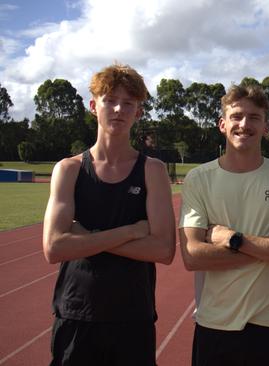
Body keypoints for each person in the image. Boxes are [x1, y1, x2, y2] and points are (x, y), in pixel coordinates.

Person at [42, 63, 176, 366]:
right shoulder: (69, 170)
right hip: (76, 313)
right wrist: (130, 231)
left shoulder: (152, 171)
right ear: (93, 106)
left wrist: (85, 236)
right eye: (109, 100)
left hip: (133, 316)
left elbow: (164, 250)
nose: (119, 109)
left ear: (138, 112)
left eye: (128, 103)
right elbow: (54, 248)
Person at [178, 84, 269, 366]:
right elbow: (192, 256)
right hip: (214, 326)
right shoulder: (198, 179)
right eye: (237, 116)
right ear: (222, 124)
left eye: (254, 117)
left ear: (266, 127)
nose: (244, 124)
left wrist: (232, 238)